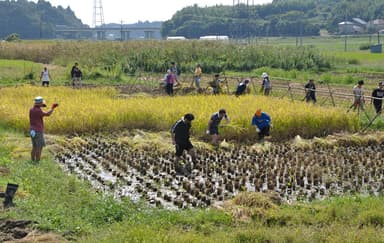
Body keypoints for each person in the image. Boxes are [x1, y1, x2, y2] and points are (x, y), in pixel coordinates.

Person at [29, 96, 58, 162]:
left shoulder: (31, 109)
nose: (43, 104)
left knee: (34, 147)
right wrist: (52, 108)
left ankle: (32, 160)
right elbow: (48, 114)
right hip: (38, 131)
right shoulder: (38, 110)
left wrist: (42, 105)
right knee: (39, 147)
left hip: (32, 130)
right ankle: (37, 162)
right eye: (41, 103)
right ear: (39, 104)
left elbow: (40, 108)